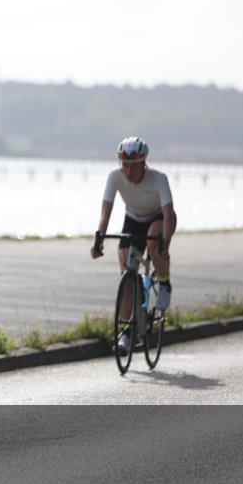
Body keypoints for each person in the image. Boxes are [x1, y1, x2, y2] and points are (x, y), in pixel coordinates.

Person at [91, 137, 177, 353]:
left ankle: (164, 283)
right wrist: (99, 239)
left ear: (144, 164)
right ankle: (127, 332)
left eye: (134, 166)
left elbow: (168, 215)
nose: (128, 172)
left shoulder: (159, 179)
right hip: (133, 219)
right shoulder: (114, 177)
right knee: (126, 274)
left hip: (158, 218)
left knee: (155, 239)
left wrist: (164, 245)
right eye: (125, 166)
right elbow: (105, 213)